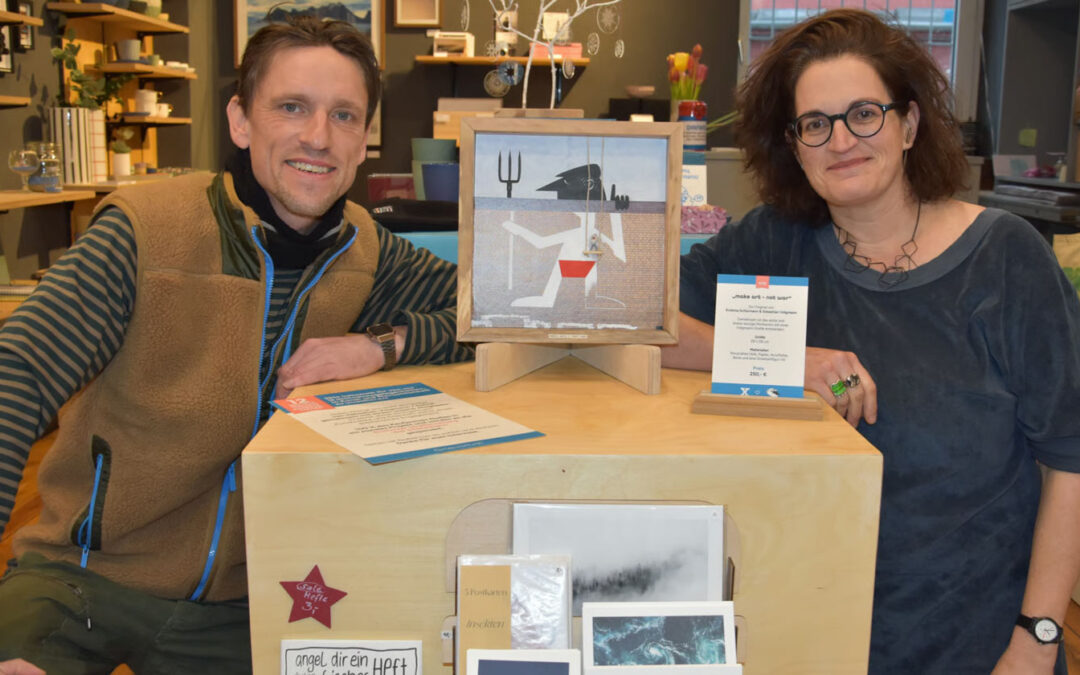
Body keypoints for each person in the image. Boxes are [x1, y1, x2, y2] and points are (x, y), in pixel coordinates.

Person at [0, 16, 471, 673]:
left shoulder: (368, 251)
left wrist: (377, 346)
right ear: (241, 121)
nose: (318, 136)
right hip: (83, 577)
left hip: (245, 599)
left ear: (365, 140)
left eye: (344, 115)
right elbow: (18, 370)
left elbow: (493, 310)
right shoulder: (146, 232)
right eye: (291, 107)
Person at [665, 9, 1080, 674]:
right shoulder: (774, 241)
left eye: (865, 113)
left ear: (910, 124)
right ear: (793, 145)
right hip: (802, 633)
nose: (840, 141)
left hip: (974, 646)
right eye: (815, 124)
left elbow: (1070, 459)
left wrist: (1037, 638)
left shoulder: (1006, 260)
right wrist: (783, 359)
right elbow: (639, 323)